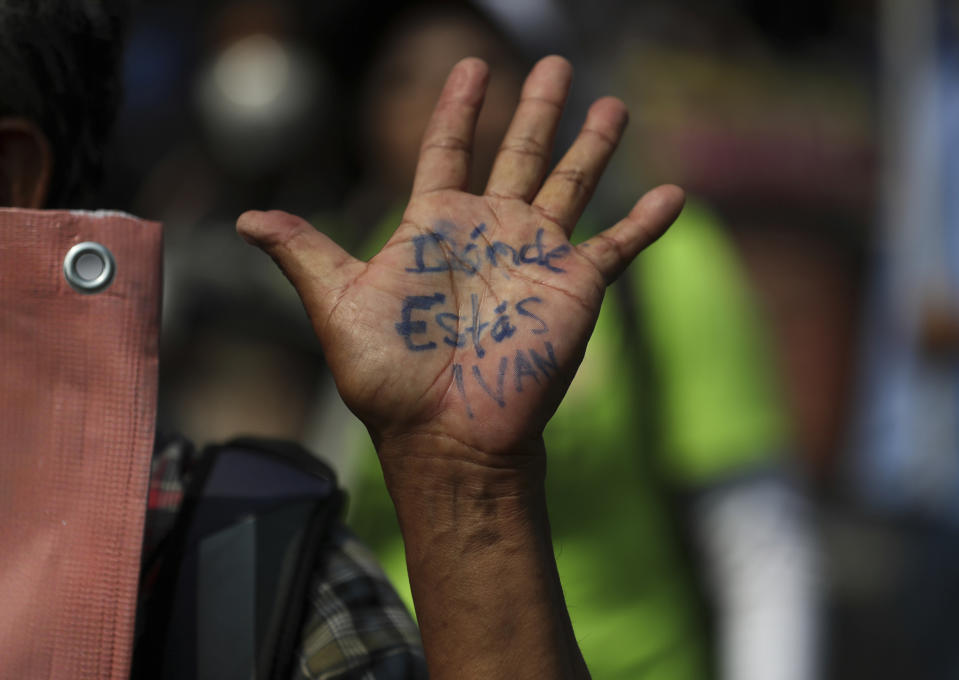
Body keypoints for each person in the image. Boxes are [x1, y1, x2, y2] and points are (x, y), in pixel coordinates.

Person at [0, 1, 686, 676]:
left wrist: (464, 482)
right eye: (400, 77)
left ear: (13, 176)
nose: (428, 101)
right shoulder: (361, 255)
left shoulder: (255, 580)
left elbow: (755, 532)